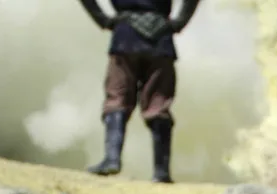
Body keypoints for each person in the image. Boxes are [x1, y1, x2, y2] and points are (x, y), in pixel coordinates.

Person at [78, 0, 200, 183]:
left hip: (125, 37)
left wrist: (103, 20)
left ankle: (112, 159)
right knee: (158, 105)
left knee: (117, 99)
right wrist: (180, 21)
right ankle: (161, 171)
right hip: (161, 39)